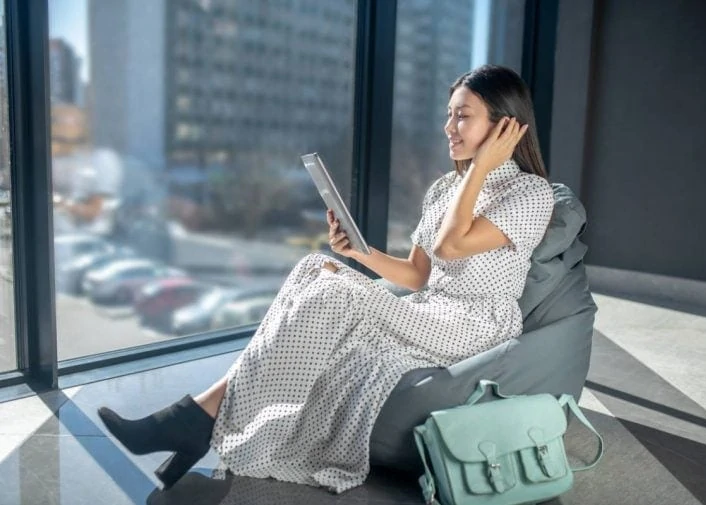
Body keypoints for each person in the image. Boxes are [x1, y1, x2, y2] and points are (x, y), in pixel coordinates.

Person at [97, 65, 555, 493]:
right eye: (448, 115)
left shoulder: (531, 194)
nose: (448, 127)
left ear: (504, 127)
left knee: (338, 293)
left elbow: (453, 244)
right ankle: (199, 419)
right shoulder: (443, 189)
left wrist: (479, 169)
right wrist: (359, 252)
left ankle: (195, 420)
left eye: (463, 116)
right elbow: (418, 275)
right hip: (428, 309)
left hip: (475, 324)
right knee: (315, 267)